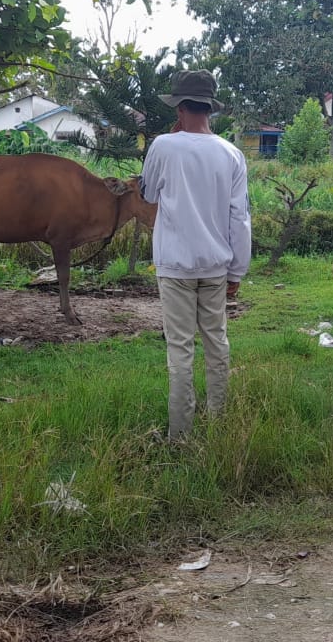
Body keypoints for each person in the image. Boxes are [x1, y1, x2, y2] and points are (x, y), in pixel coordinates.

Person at [141, 69, 252, 441]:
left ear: (180, 108)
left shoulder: (163, 146)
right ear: (209, 108)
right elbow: (240, 217)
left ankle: (180, 435)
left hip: (175, 265)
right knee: (216, 343)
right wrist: (237, 270)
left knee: (180, 348)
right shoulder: (231, 153)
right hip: (216, 265)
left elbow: (148, 195)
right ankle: (219, 421)